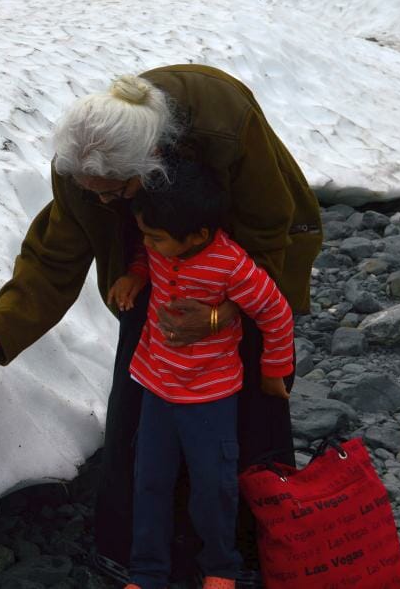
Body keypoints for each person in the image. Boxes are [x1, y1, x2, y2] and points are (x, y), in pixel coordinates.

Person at [0, 64, 322, 585]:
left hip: (250, 261)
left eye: (113, 194)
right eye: (90, 192)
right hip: (153, 271)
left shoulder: (221, 123)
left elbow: (268, 228)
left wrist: (223, 312)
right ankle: (145, 553)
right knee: (143, 412)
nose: (100, 203)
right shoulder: (88, 170)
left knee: (245, 413)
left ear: (154, 164)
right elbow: (56, 254)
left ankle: (241, 550)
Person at [113, 158, 295, 589]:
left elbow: (276, 313)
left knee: (213, 487)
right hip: (156, 386)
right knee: (150, 482)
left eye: (155, 237)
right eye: (145, 234)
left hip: (210, 397)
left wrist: (275, 372)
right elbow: (148, 255)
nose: (149, 244)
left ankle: (220, 568)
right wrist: (136, 275)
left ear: (198, 234)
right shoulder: (161, 246)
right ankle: (148, 572)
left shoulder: (231, 265)